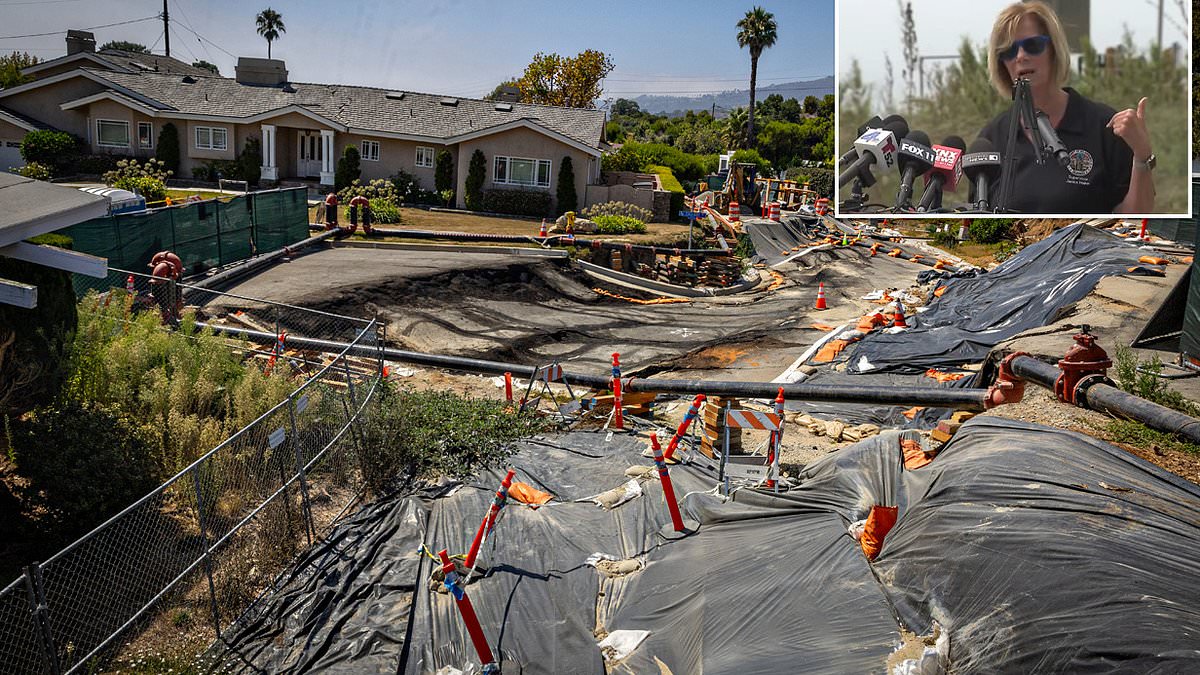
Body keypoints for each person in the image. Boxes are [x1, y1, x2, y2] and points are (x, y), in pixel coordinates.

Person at [976, 1, 1154, 214]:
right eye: (1009, 50)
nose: (1021, 56)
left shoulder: (1104, 125)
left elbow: (1134, 219)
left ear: (1053, 50)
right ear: (1001, 63)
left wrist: (1142, 156)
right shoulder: (990, 139)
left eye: (1033, 45)